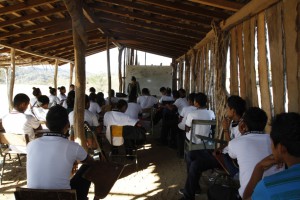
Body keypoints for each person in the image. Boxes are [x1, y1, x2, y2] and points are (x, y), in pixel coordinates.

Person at [26, 105, 96, 200]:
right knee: (88, 167)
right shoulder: (73, 146)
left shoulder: (31, 145)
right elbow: (91, 162)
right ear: (67, 125)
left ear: (46, 124)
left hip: (32, 196)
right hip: (62, 197)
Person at [228, 107, 282, 199]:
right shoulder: (274, 140)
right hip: (276, 193)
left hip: (249, 195)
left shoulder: (236, 142)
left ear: (243, 125)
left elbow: (232, 155)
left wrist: (242, 135)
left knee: (213, 191)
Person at [243, 112, 300, 199]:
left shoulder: (268, 186)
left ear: (281, 148)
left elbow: (246, 198)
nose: (271, 147)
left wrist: (259, 167)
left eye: (272, 143)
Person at [178, 92, 216, 200]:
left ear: (196, 103)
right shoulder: (211, 113)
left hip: (193, 144)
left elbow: (187, 128)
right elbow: (212, 128)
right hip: (207, 144)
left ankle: (193, 188)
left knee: (190, 161)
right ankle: (195, 187)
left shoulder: (192, 115)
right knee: (196, 162)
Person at [177, 93, 197, 158]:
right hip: (196, 132)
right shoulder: (202, 111)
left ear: (190, 101)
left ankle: (180, 152)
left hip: (186, 129)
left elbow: (180, 119)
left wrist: (178, 123)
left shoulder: (185, 108)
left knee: (180, 133)